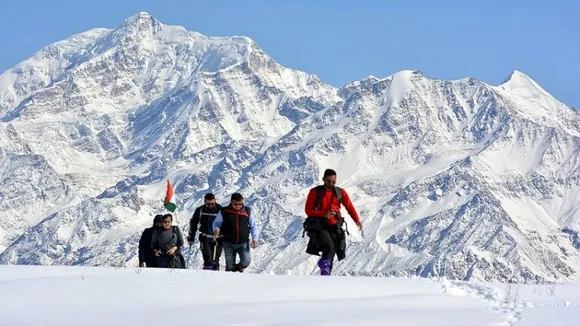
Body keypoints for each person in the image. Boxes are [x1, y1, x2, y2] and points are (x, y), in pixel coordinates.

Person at [303, 169, 362, 276]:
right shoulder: (315, 192)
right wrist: (323, 214)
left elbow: (349, 207)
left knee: (333, 250)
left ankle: (326, 273)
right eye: (328, 181)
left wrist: (356, 220)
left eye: (333, 182)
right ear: (323, 179)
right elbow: (308, 210)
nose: (331, 184)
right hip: (319, 225)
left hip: (334, 224)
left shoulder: (340, 193)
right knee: (329, 246)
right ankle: (324, 268)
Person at [213, 193, 259, 272]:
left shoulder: (247, 211)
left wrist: (255, 239)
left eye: (240, 204)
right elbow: (216, 223)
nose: (238, 206)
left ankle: (237, 268)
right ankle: (230, 280)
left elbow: (253, 226)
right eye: (235, 204)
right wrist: (216, 229)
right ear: (231, 202)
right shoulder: (224, 211)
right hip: (228, 243)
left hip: (243, 243)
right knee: (230, 266)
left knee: (246, 261)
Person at [187, 193, 223, 270]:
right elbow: (193, 223)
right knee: (208, 260)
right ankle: (207, 277)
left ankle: (215, 277)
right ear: (205, 202)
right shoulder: (200, 210)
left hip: (218, 238)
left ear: (215, 201)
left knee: (215, 262)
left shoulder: (220, 210)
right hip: (205, 238)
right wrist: (191, 237)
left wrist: (221, 231)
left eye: (213, 204)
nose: (211, 206)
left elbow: (226, 224)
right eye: (208, 204)